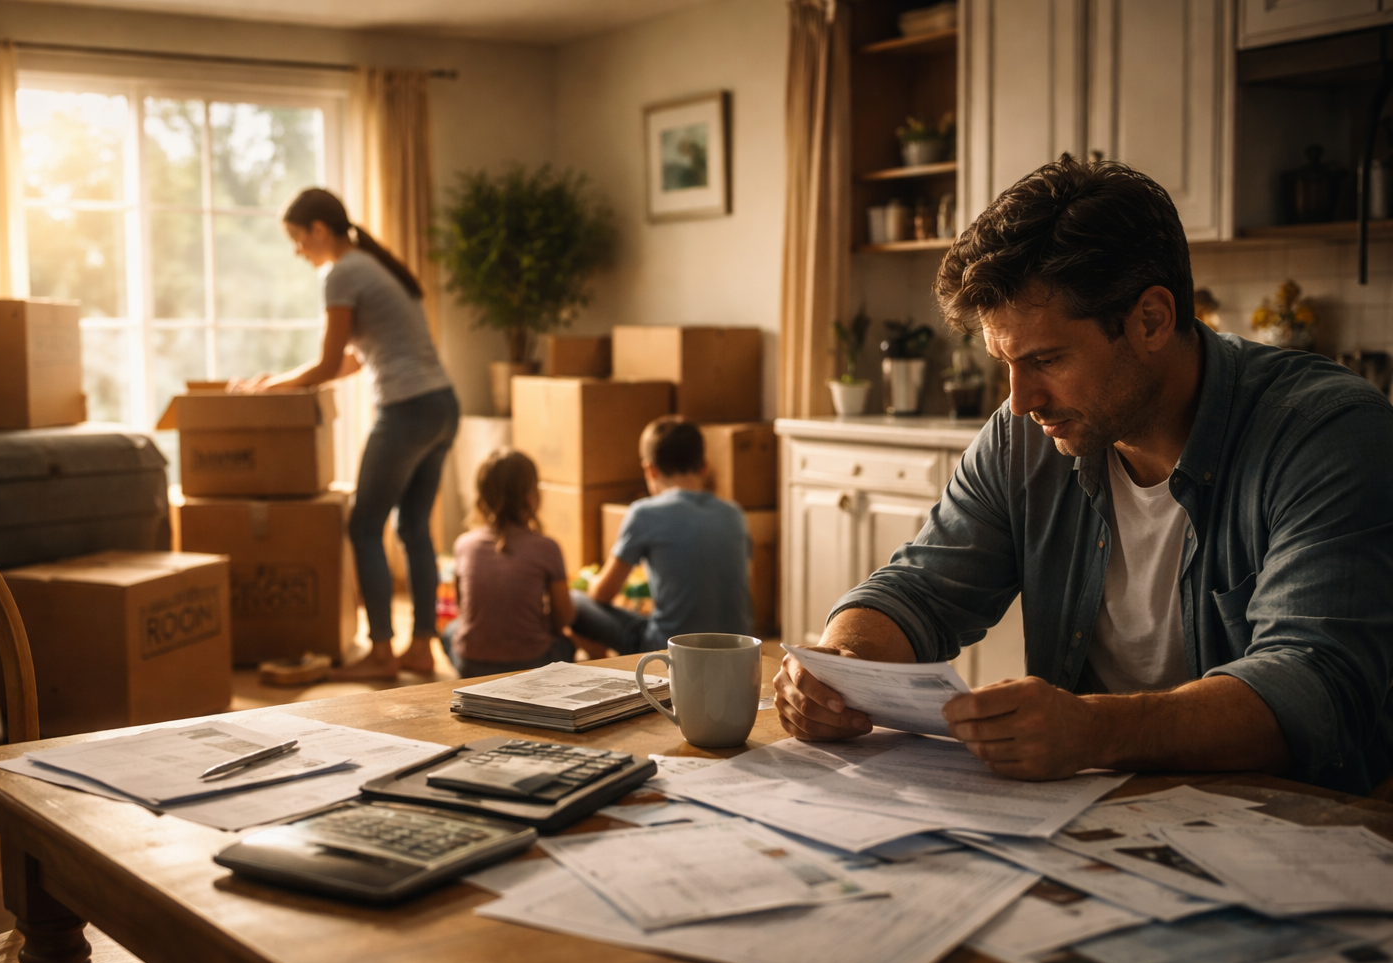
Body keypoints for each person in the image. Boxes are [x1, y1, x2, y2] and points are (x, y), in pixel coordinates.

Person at [776, 156, 1393, 796]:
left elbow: (1315, 686)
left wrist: (1094, 731)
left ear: (1151, 319)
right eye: (1005, 361)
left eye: (1045, 358)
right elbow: (919, 589)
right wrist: (840, 668)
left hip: (1296, 829)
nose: (1018, 400)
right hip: (1087, 821)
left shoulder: (1328, 435)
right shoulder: (1025, 435)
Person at [237, 187, 459, 680]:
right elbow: (357, 361)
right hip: (442, 404)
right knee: (413, 528)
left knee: (363, 526)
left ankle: (382, 654)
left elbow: (328, 362)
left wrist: (270, 386)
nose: (297, 250)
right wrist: (285, 382)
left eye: (297, 238)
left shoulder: (342, 272)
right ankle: (420, 646)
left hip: (407, 408)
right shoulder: (374, 267)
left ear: (319, 229)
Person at [571, 416, 753, 655]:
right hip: (739, 649)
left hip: (670, 649)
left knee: (574, 600)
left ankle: (604, 666)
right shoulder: (734, 514)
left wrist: (591, 582)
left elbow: (603, 593)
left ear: (650, 469)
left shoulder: (645, 513)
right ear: (705, 466)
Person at [444, 449, 576, 677]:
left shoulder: (463, 544)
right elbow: (563, 617)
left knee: (449, 631)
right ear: (531, 497)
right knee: (567, 644)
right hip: (533, 664)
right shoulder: (547, 547)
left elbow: (463, 607)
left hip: (471, 665)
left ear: (481, 497)